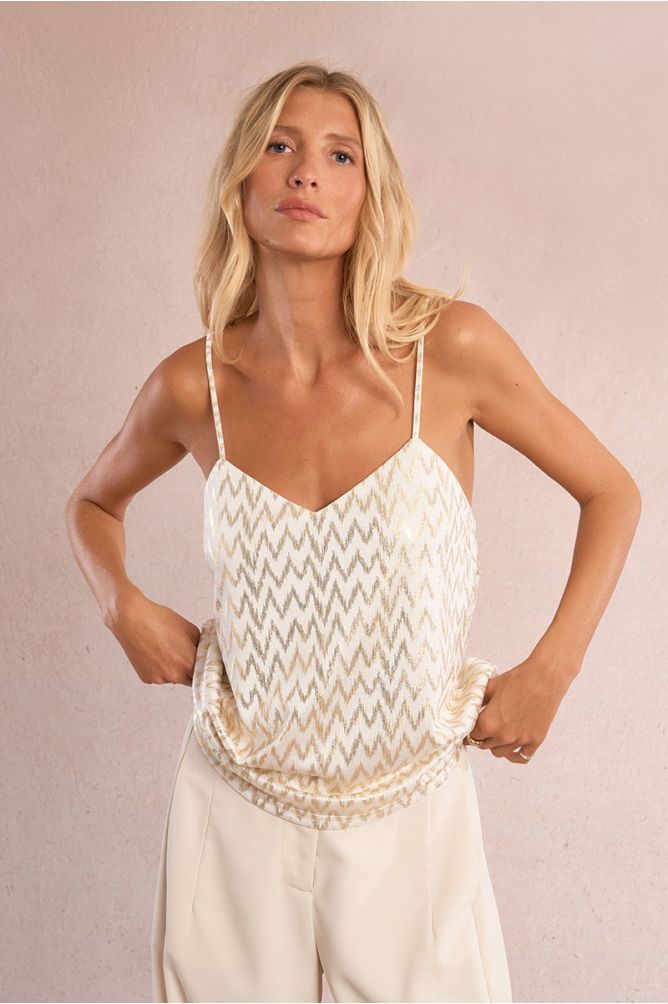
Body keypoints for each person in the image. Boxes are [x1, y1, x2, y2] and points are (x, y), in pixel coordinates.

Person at [65, 62, 642, 1004]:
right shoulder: (193, 385)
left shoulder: (450, 350)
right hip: (233, 804)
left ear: (371, 192)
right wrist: (118, 603)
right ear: (240, 181)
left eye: (341, 155)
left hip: (412, 810)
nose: (306, 172)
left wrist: (553, 669)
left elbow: (611, 490)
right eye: (280, 146)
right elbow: (90, 505)